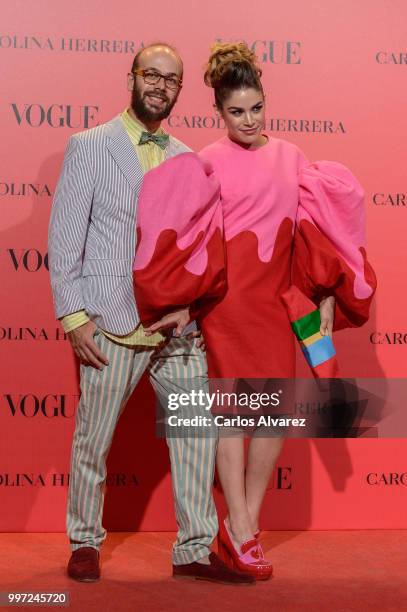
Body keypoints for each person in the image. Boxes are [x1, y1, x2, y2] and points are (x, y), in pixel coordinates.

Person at [48, 42, 253, 586]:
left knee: (194, 437)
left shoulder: (189, 157)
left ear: (180, 91)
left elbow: (200, 245)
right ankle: (85, 541)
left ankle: (193, 547)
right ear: (132, 77)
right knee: (93, 439)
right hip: (111, 322)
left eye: (171, 80)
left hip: (173, 329)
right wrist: (74, 318)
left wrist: (189, 307)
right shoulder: (89, 146)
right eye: (152, 75)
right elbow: (66, 239)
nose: (160, 86)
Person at [195, 42, 377, 579]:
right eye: (236, 111)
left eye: (256, 108)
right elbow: (197, 240)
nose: (248, 120)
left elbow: (314, 236)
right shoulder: (204, 161)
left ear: (265, 102)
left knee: (272, 418)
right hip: (227, 305)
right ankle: (241, 525)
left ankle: (246, 522)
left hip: (277, 304)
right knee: (231, 419)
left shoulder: (292, 157)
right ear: (218, 111)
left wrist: (322, 297)